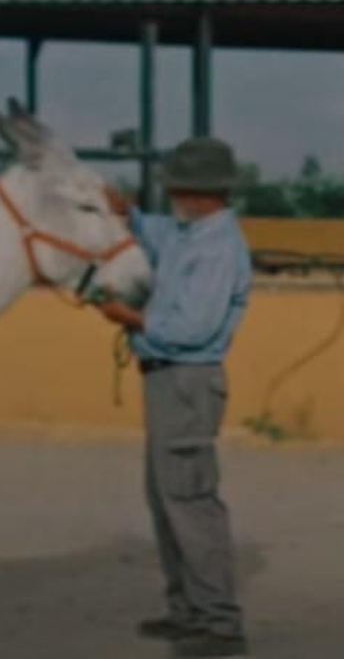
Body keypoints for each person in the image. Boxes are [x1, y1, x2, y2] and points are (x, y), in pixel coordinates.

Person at [94, 136, 253, 658]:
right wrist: (130, 214)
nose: (172, 195)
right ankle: (188, 611)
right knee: (167, 498)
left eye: (176, 186)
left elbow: (191, 326)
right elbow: (158, 234)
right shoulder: (191, 233)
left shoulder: (218, 247)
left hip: (186, 377)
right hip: (168, 378)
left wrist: (131, 319)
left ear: (196, 191)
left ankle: (218, 623)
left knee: (188, 499)